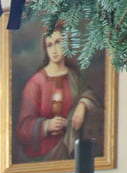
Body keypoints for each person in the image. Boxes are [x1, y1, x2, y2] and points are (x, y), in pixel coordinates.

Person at [15, 23, 100, 162]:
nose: (54, 50)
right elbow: (23, 129)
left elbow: (89, 94)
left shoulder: (73, 77)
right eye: (49, 45)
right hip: (45, 155)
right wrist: (46, 125)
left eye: (58, 42)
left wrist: (83, 104)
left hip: (72, 149)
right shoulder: (36, 83)